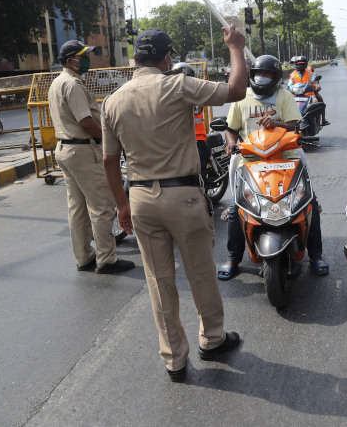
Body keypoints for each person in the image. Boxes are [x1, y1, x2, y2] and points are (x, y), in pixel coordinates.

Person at [101, 27, 247, 383]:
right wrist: (236, 48)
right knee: (200, 272)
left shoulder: (112, 101)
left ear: (134, 59)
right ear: (167, 58)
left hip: (140, 199)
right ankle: (212, 339)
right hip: (182, 195)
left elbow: (108, 161)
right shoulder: (178, 85)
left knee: (158, 280)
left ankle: (173, 359)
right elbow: (237, 90)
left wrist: (121, 207)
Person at [217, 54, 329, 280]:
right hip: (250, 158)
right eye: (259, 73)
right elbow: (231, 128)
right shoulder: (241, 98)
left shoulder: (284, 96)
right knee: (237, 207)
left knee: (309, 203)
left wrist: (277, 124)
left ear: (276, 77)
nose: (262, 77)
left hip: (286, 155)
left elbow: (295, 125)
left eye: (267, 74)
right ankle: (233, 258)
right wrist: (231, 144)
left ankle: (316, 255)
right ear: (252, 75)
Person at [47, 40, 135, 275]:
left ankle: (84, 257)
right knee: (101, 207)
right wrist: (111, 139)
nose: (87, 60)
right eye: (82, 56)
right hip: (83, 151)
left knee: (77, 207)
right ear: (69, 61)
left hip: (66, 150)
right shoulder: (72, 84)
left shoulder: (57, 82)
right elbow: (85, 121)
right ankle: (106, 259)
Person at [171, 62, 209, 176]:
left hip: (195, 139)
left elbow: (196, 109)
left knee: (198, 174)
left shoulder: (193, 93)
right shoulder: (175, 93)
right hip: (184, 140)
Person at [288, 55, 329, 125]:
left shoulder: (310, 72)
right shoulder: (292, 75)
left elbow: (315, 80)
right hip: (295, 95)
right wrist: (288, 90)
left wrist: (317, 86)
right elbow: (289, 86)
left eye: (302, 64)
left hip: (310, 94)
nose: (300, 65)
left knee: (320, 100)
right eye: (298, 64)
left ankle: (323, 120)